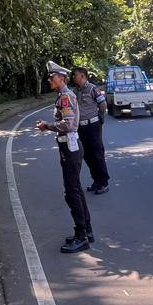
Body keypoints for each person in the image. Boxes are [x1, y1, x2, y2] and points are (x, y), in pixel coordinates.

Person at [36, 61, 92, 253]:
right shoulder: (63, 96)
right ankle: (86, 230)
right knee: (76, 189)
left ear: (61, 78)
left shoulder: (66, 97)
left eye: (52, 77)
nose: (49, 80)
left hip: (70, 147)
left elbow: (67, 124)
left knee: (71, 192)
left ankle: (81, 236)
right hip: (70, 146)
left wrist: (48, 126)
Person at [70, 66, 110, 195]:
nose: (73, 77)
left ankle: (103, 183)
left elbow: (102, 105)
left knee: (97, 154)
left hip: (93, 126)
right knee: (86, 155)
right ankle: (96, 181)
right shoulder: (75, 91)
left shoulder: (92, 89)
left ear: (82, 75)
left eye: (75, 75)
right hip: (81, 128)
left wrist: (99, 118)